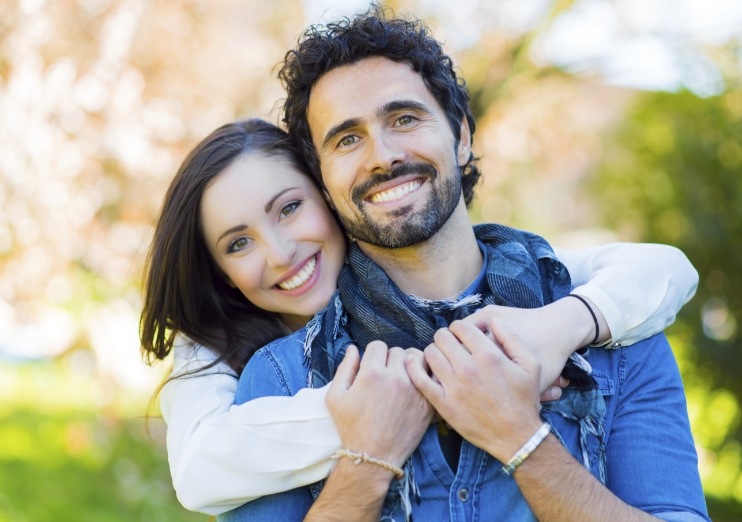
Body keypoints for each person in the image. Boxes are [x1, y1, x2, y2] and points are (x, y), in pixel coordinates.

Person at [219, 5, 708, 522]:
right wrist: (366, 466)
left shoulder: (617, 340)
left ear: (462, 136)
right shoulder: (282, 378)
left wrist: (520, 439)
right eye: (347, 139)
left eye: (404, 118)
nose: (381, 155)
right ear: (322, 181)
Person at [141, 119, 699, 516]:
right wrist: (388, 425)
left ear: (329, 195)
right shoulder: (247, 370)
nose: (281, 252)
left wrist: (564, 327)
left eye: (290, 208)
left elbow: (655, 268)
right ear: (220, 274)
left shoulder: (537, 288)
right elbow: (199, 474)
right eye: (239, 244)